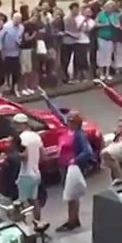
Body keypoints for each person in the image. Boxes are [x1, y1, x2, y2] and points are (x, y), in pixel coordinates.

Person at [39, 91, 94, 231]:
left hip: (72, 167)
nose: (67, 121)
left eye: (70, 120)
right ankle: (73, 219)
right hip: (64, 166)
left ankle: (72, 220)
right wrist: (46, 99)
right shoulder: (69, 129)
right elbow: (58, 114)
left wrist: (75, 160)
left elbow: (87, 151)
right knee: (70, 193)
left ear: (75, 123)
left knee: (71, 194)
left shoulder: (79, 135)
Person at [12, 112, 44, 220]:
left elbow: (24, 156)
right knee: (34, 200)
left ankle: (25, 224)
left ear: (21, 124)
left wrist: (14, 155)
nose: (15, 127)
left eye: (16, 124)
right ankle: (38, 223)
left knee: (22, 203)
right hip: (36, 173)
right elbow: (43, 155)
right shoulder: (36, 136)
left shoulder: (22, 138)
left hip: (25, 174)